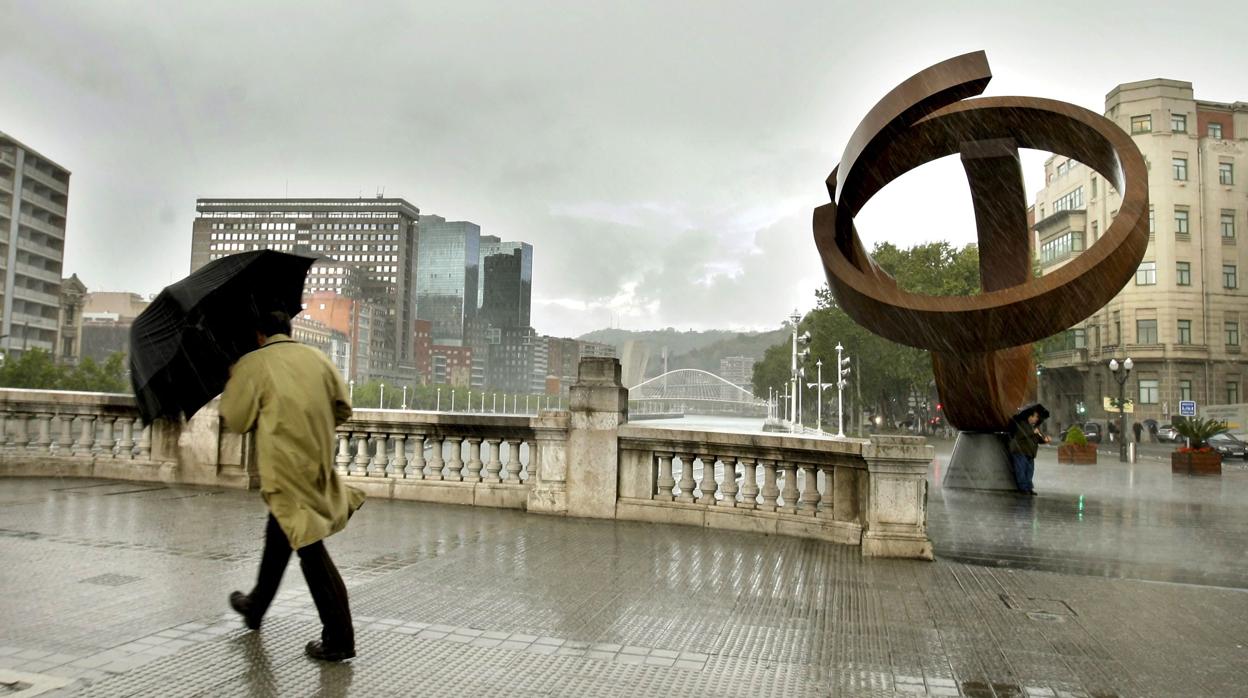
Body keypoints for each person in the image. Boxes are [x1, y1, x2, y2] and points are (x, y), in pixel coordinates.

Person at [220, 309, 365, 662]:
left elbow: (236, 420)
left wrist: (234, 380)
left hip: (284, 472)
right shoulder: (317, 358)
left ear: (259, 335)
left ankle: (339, 638)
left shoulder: (255, 363)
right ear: (288, 329)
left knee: (311, 551)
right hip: (316, 466)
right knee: (279, 538)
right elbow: (343, 408)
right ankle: (256, 606)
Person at [1008, 407, 1050, 495]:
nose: (1037, 419)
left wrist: (1045, 440)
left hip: (1030, 453)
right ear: (1029, 417)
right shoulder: (1021, 423)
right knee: (1021, 470)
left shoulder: (1034, 426)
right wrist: (1033, 432)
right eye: (1035, 416)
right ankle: (1023, 488)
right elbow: (1021, 435)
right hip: (1021, 451)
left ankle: (1029, 487)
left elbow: (1038, 438)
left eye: (1037, 417)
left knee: (1029, 471)